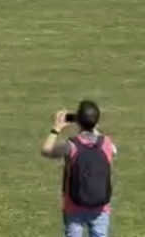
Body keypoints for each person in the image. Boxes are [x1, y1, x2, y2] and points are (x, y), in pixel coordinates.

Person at [41, 101, 117, 237]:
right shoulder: (107, 143)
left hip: (74, 206)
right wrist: (91, 125)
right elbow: (110, 148)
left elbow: (46, 150)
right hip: (100, 207)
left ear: (78, 121)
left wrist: (56, 129)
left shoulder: (71, 146)